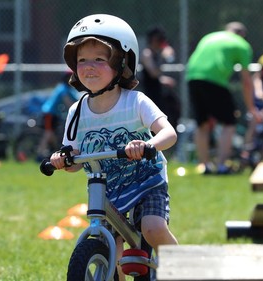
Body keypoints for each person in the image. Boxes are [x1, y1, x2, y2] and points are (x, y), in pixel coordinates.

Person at [49, 14, 178, 280]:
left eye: (99, 59)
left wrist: (148, 144)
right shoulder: (76, 111)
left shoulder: (136, 101)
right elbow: (73, 156)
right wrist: (63, 159)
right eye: (82, 60)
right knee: (113, 250)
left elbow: (169, 133)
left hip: (146, 182)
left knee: (152, 228)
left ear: (121, 63)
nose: (89, 67)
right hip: (107, 191)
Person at [186, 21, 259, 174]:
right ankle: (221, 165)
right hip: (214, 80)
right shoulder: (242, 44)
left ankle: (204, 166)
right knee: (229, 122)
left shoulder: (210, 37)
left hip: (192, 77)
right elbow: (246, 80)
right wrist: (251, 107)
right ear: (242, 35)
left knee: (202, 124)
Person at [140, 26, 180, 129]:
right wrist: (163, 56)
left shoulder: (156, 53)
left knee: (174, 106)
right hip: (151, 94)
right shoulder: (147, 53)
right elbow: (153, 73)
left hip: (159, 92)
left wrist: (163, 80)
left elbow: (156, 76)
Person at [36, 71, 78, 161]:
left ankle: (54, 151)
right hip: (50, 113)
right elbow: (69, 103)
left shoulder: (65, 88)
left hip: (54, 113)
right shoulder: (63, 89)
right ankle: (40, 154)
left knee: (53, 133)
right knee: (48, 132)